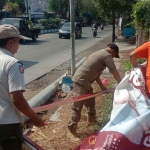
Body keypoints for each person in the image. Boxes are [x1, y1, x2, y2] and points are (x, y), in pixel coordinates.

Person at [0, 24, 47, 150]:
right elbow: (17, 99)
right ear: (10, 42)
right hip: (7, 124)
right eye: (18, 41)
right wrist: (35, 118)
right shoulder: (12, 63)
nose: (19, 45)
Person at [67, 43, 122, 136]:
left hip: (86, 82)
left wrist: (103, 87)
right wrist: (122, 82)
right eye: (114, 56)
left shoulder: (100, 53)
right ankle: (71, 130)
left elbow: (96, 75)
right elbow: (114, 72)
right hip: (81, 82)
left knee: (91, 102)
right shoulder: (106, 55)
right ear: (113, 51)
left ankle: (91, 122)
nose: (113, 58)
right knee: (77, 107)